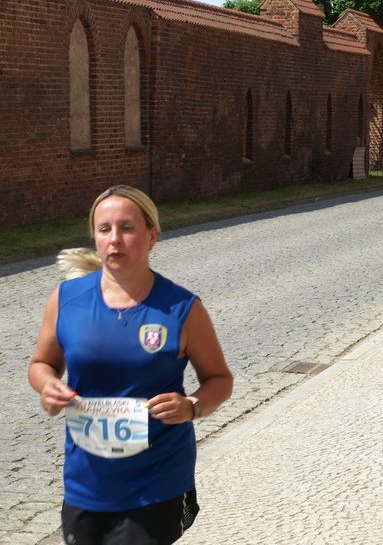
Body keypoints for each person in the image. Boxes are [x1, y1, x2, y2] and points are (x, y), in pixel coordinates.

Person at [29, 185, 233, 545]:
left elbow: (219, 379)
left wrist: (193, 407)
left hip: (156, 479)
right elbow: (41, 364)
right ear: (94, 238)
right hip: (86, 479)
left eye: (127, 228)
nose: (115, 239)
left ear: (153, 235)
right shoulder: (66, 299)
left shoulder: (182, 308)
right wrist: (47, 385)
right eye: (105, 229)